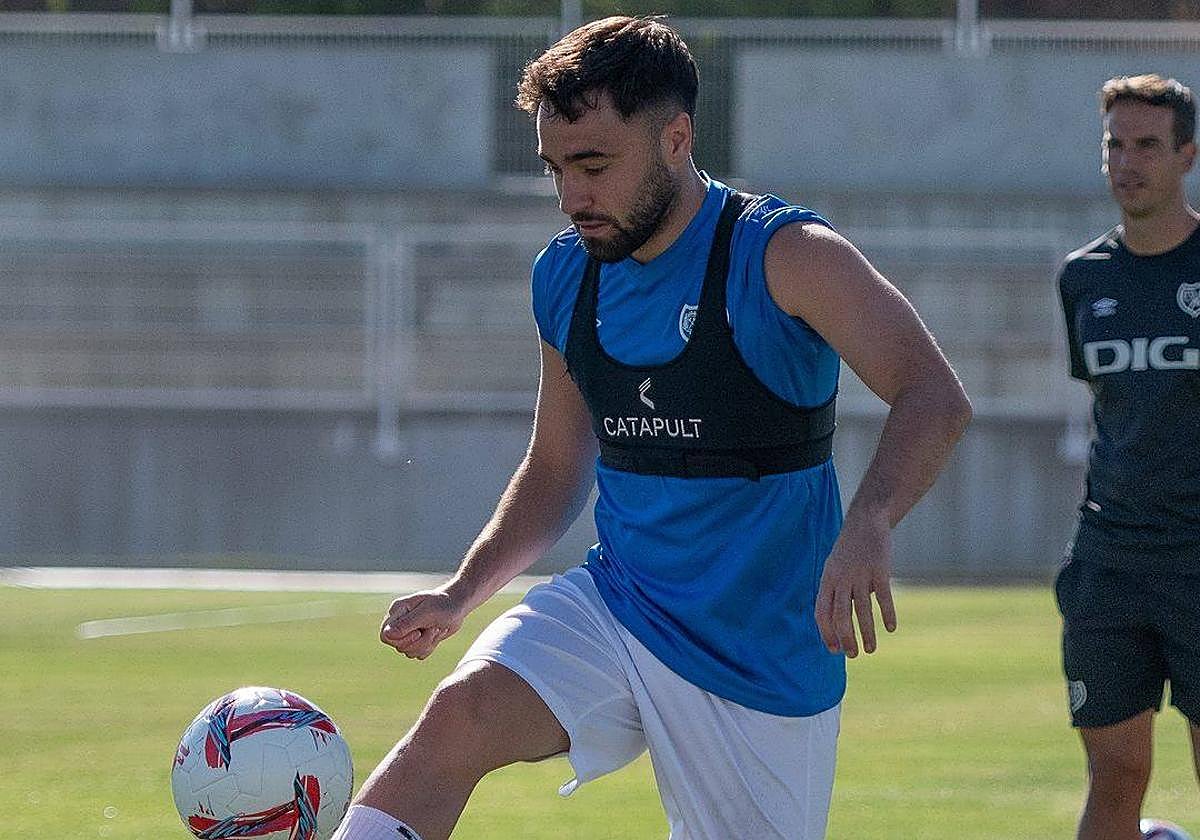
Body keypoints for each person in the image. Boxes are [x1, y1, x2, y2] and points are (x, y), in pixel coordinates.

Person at [331, 16, 970, 840]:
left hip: (761, 658)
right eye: (556, 169)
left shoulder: (788, 255)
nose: (572, 197)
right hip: (620, 606)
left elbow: (933, 395)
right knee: (461, 715)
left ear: (675, 139)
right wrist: (463, 592)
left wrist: (870, 520)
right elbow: (557, 466)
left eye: (594, 166)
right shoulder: (564, 274)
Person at [1055, 73, 1200, 840]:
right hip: (1110, 561)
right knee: (1115, 774)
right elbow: (1115, 409)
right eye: (1116, 143)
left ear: (1188, 155)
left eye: (1148, 144)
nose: (1128, 161)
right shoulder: (1083, 277)